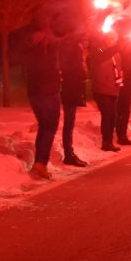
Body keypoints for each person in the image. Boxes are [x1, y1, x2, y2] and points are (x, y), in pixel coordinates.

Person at [23, 15, 63, 180]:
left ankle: (40, 162)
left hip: (34, 91)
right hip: (48, 91)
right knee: (49, 128)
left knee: (44, 126)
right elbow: (65, 42)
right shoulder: (47, 44)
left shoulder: (28, 43)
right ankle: (40, 164)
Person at [88, 31, 124, 152]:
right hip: (101, 89)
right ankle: (106, 141)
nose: (110, 40)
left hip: (113, 89)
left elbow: (119, 69)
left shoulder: (117, 54)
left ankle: (109, 141)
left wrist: (119, 83)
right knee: (107, 114)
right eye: (108, 38)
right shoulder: (100, 51)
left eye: (113, 38)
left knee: (112, 115)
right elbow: (104, 55)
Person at [58, 29, 89, 168]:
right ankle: (68, 154)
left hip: (70, 87)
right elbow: (74, 68)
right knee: (69, 123)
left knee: (70, 122)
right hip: (70, 88)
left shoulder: (71, 46)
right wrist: (82, 74)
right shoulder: (72, 47)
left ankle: (69, 153)